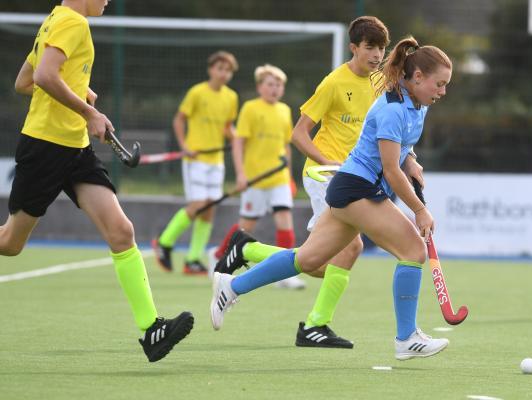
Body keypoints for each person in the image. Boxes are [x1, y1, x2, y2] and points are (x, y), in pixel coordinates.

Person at [211, 35, 453, 361]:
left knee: (308, 259)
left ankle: (231, 287)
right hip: (357, 188)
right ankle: (406, 338)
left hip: (350, 188)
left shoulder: (417, 106)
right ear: (419, 77)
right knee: (412, 249)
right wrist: (419, 210)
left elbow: (401, 151)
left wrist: (411, 160)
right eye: (439, 84)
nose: (443, 92)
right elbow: (389, 170)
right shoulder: (393, 107)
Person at [0, 0, 194, 362]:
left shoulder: (55, 19)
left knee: (121, 231)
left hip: (76, 149)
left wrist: (78, 93)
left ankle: (152, 329)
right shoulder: (73, 22)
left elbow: (24, 81)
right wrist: (88, 110)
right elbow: (40, 78)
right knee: (10, 243)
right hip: (44, 146)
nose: (107, 0)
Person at [214, 64, 305, 289]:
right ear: (260, 87)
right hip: (255, 178)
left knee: (284, 221)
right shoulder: (250, 108)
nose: (275, 89)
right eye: (270, 84)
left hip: (279, 179)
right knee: (246, 226)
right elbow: (238, 143)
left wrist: (290, 177)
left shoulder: (284, 110)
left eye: (279, 85)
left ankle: (284, 274)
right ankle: (218, 257)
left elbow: (286, 147)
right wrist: (241, 174)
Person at [152, 51, 239, 275]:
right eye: (220, 68)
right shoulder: (197, 92)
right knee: (198, 205)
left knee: (209, 210)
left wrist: (240, 139)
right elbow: (179, 119)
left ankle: (192, 259)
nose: (223, 73)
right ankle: (164, 241)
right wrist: (184, 146)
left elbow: (227, 128)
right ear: (211, 69)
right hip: (195, 159)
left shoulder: (231, 97)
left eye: (228, 70)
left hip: (216, 161)